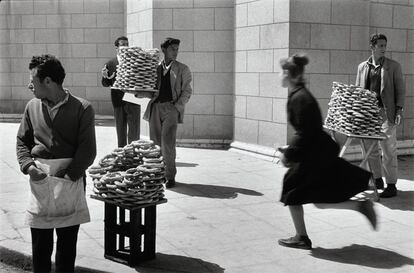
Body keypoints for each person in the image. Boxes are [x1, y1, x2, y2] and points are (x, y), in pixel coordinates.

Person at [278, 54, 377, 250]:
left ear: (289, 74)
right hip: (317, 152)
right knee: (318, 200)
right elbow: (307, 132)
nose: (280, 76)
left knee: (292, 191)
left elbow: (306, 132)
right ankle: (360, 206)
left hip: (314, 156)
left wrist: (288, 154)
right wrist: (291, 149)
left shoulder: (300, 98)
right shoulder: (299, 94)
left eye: (282, 72)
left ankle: (301, 237)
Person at [16, 54, 96, 272]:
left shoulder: (82, 108)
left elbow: (87, 150)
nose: (29, 85)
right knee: (40, 246)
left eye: (33, 80)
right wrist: (29, 166)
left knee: (66, 248)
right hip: (40, 182)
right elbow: (22, 141)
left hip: (71, 180)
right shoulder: (31, 107)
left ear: (48, 81)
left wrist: (69, 176)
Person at [356, 33, 406, 198]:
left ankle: (391, 185)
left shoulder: (394, 66)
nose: (384, 48)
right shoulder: (362, 67)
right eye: (380, 45)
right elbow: (358, 90)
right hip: (367, 114)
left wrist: (399, 110)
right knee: (370, 149)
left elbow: (400, 90)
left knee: (388, 149)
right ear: (372, 47)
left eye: (385, 45)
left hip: (386, 113)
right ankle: (377, 179)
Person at [143, 37, 192, 188]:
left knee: (168, 143)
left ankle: (170, 176)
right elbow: (150, 89)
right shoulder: (155, 68)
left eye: (177, 49)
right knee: (155, 143)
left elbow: (187, 91)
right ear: (164, 50)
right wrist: (140, 93)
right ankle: (157, 175)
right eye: (172, 49)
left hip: (171, 108)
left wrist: (177, 107)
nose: (175, 52)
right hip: (155, 108)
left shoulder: (182, 68)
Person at [102, 36, 141, 147]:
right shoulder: (110, 63)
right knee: (120, 129)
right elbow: (105, 84)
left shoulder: (135, 61)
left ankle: (134, 152)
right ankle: (123, 154)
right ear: (117, 48)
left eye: (127, 44)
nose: (125, 47)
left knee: (134, 129)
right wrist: (105, 77)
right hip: (118, 100)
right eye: (122, 44)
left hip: (133, 98)